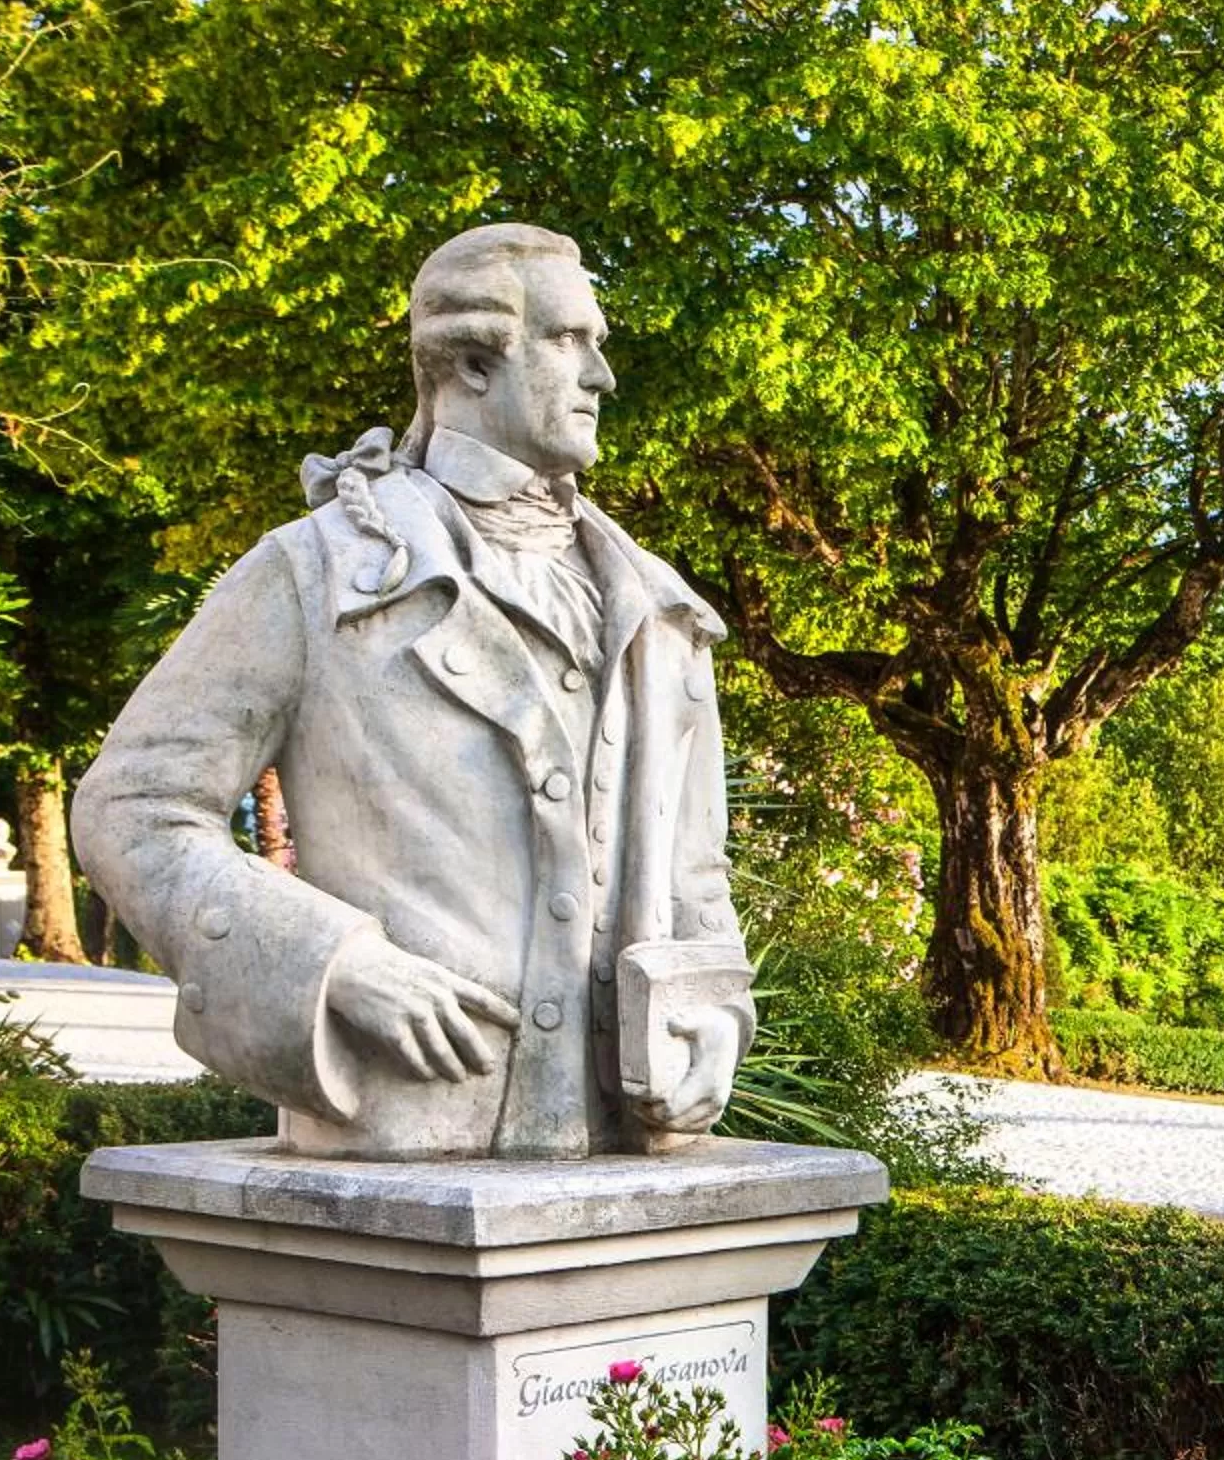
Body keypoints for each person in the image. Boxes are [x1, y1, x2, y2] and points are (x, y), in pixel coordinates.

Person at [75, 223, 751, 1158]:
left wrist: (711, 1024)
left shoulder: (660, 609)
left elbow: (695, 876)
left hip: (621, 1135)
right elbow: (133, 807)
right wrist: (330, 963)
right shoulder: (316, 575)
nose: (603, 378)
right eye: (571, 342)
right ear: (472, 363)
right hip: (400, 1115)